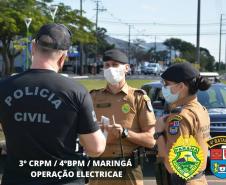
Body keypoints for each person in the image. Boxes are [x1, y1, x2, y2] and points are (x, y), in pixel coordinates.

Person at [0, 23, 106, 185]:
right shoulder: (75, 91)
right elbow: (95, 148)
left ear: (33, 47)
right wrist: (103, 134)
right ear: (63, 57)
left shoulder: (4, 87)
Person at [89, 49, 156, 185]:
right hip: (100, 167)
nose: (110, 69)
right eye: (106, 65)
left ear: (126, 68)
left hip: (129, 169)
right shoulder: (93, 97)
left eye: (114, 65)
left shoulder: (138, 98)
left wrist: (125, 133)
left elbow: (150, 140)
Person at [155, 62, 211, 185]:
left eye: (167, 84)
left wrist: (159, 133)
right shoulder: (202, 110)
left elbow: (173, 167)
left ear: (181, 86)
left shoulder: (180, 117)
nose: (164, 88)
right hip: (199, 179)